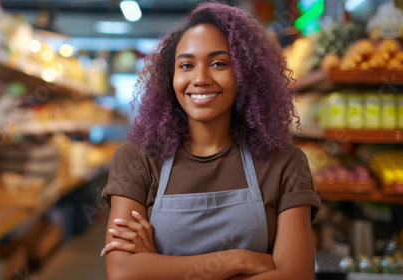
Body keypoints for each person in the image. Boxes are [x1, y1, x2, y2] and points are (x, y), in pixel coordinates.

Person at [101, 2, 321, 280]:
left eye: (218, 63)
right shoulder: (138, 159)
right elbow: (122, 273)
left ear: (245, 74)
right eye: (186, 65)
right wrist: (237, 259)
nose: (200, 78)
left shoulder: (284, 162)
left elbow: (296, 276)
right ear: (172, 76)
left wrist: (157, 266)